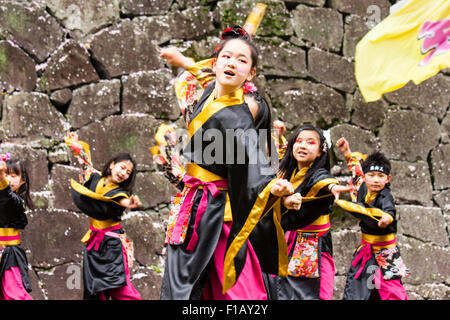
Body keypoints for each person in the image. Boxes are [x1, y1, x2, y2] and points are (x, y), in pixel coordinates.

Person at [159, 26, 294, 300]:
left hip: (217, 210)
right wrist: (183, 61)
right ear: (216, 61)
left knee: (237, 290)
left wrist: (274, 189)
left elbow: (254, 161)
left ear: (251, 74)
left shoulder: (238, 117)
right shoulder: (210, 91)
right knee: (189, 285)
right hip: (192, 204)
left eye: (242, 61)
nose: (232, 63)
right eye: (226, 57)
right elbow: (207, 74)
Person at [252, 124, 350, 300]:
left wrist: (333, 186)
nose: (303, 146)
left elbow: (324, 181)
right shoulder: (288, 171)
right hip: (287, 239)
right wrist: (280, 135)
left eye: (310, 142)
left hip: (312, 246)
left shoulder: (318, 175)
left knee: (310, 293)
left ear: (320, 151)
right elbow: (280, 154)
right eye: (299, 141)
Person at [65, 132, 142, 300]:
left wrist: (130, 204)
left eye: (128, 173)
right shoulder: (94, 177)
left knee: (120, 289)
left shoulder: (119, 193)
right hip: (94, 244)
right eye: (122, 168)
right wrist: (76, 145)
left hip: (112, 246)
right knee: (94, 291)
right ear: (113, 165)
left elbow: (122, 201)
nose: (123, 174)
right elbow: (85, 162)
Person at [335, 137, 410, 300]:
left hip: (386, 252)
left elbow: (389, 211)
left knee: (392, 291)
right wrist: (347, 152)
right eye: (372, 175)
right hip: (366, 250)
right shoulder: (362, 185)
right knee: (360, 290)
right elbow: (356, 169)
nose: (376, 180)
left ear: (387, 179)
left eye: (381, 176)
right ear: (366, 176)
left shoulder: (385, 196)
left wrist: (387, 219)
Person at [0, 155, 34, 300]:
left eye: (13, 175)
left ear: (22, 181)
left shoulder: (17, 202)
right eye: (6, 174)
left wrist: (2, 179)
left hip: (9, 256)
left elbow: (7, 199)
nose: (9, 178)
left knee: (15, 295)